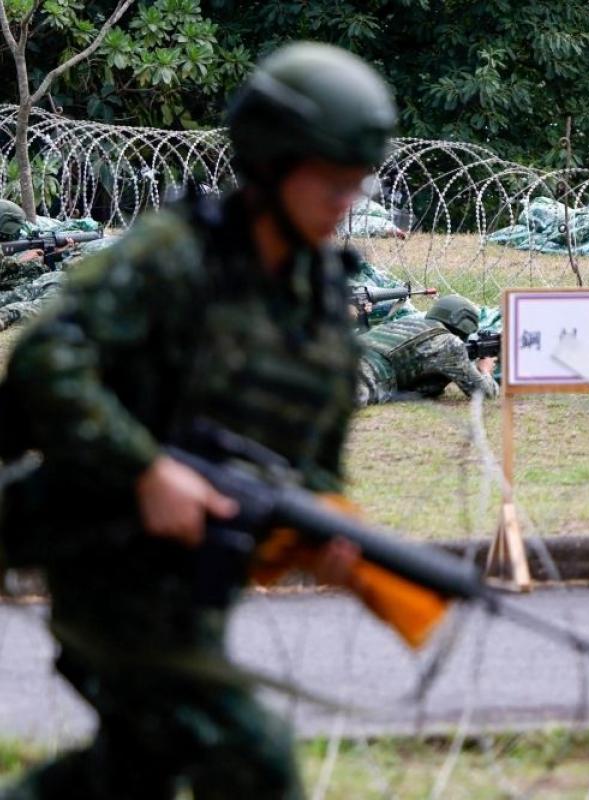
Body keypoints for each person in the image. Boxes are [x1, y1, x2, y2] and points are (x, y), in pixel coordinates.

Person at [0, 42, 396, 799]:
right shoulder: (175, 256)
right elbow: (48, 360)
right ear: (274, 160)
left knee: (131, 773)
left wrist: (327, 535)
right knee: (251, 759)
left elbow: (309, 467)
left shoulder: (323, 315)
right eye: (333, 175)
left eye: (359, 178)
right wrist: (146, 470)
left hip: (194, 587)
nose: (349, 195)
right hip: (102, 557)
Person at [355, 294, 499, 406]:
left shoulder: (405, 323)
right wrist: (485, 369)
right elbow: (485, 394)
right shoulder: (447, 342)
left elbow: (420, 388)